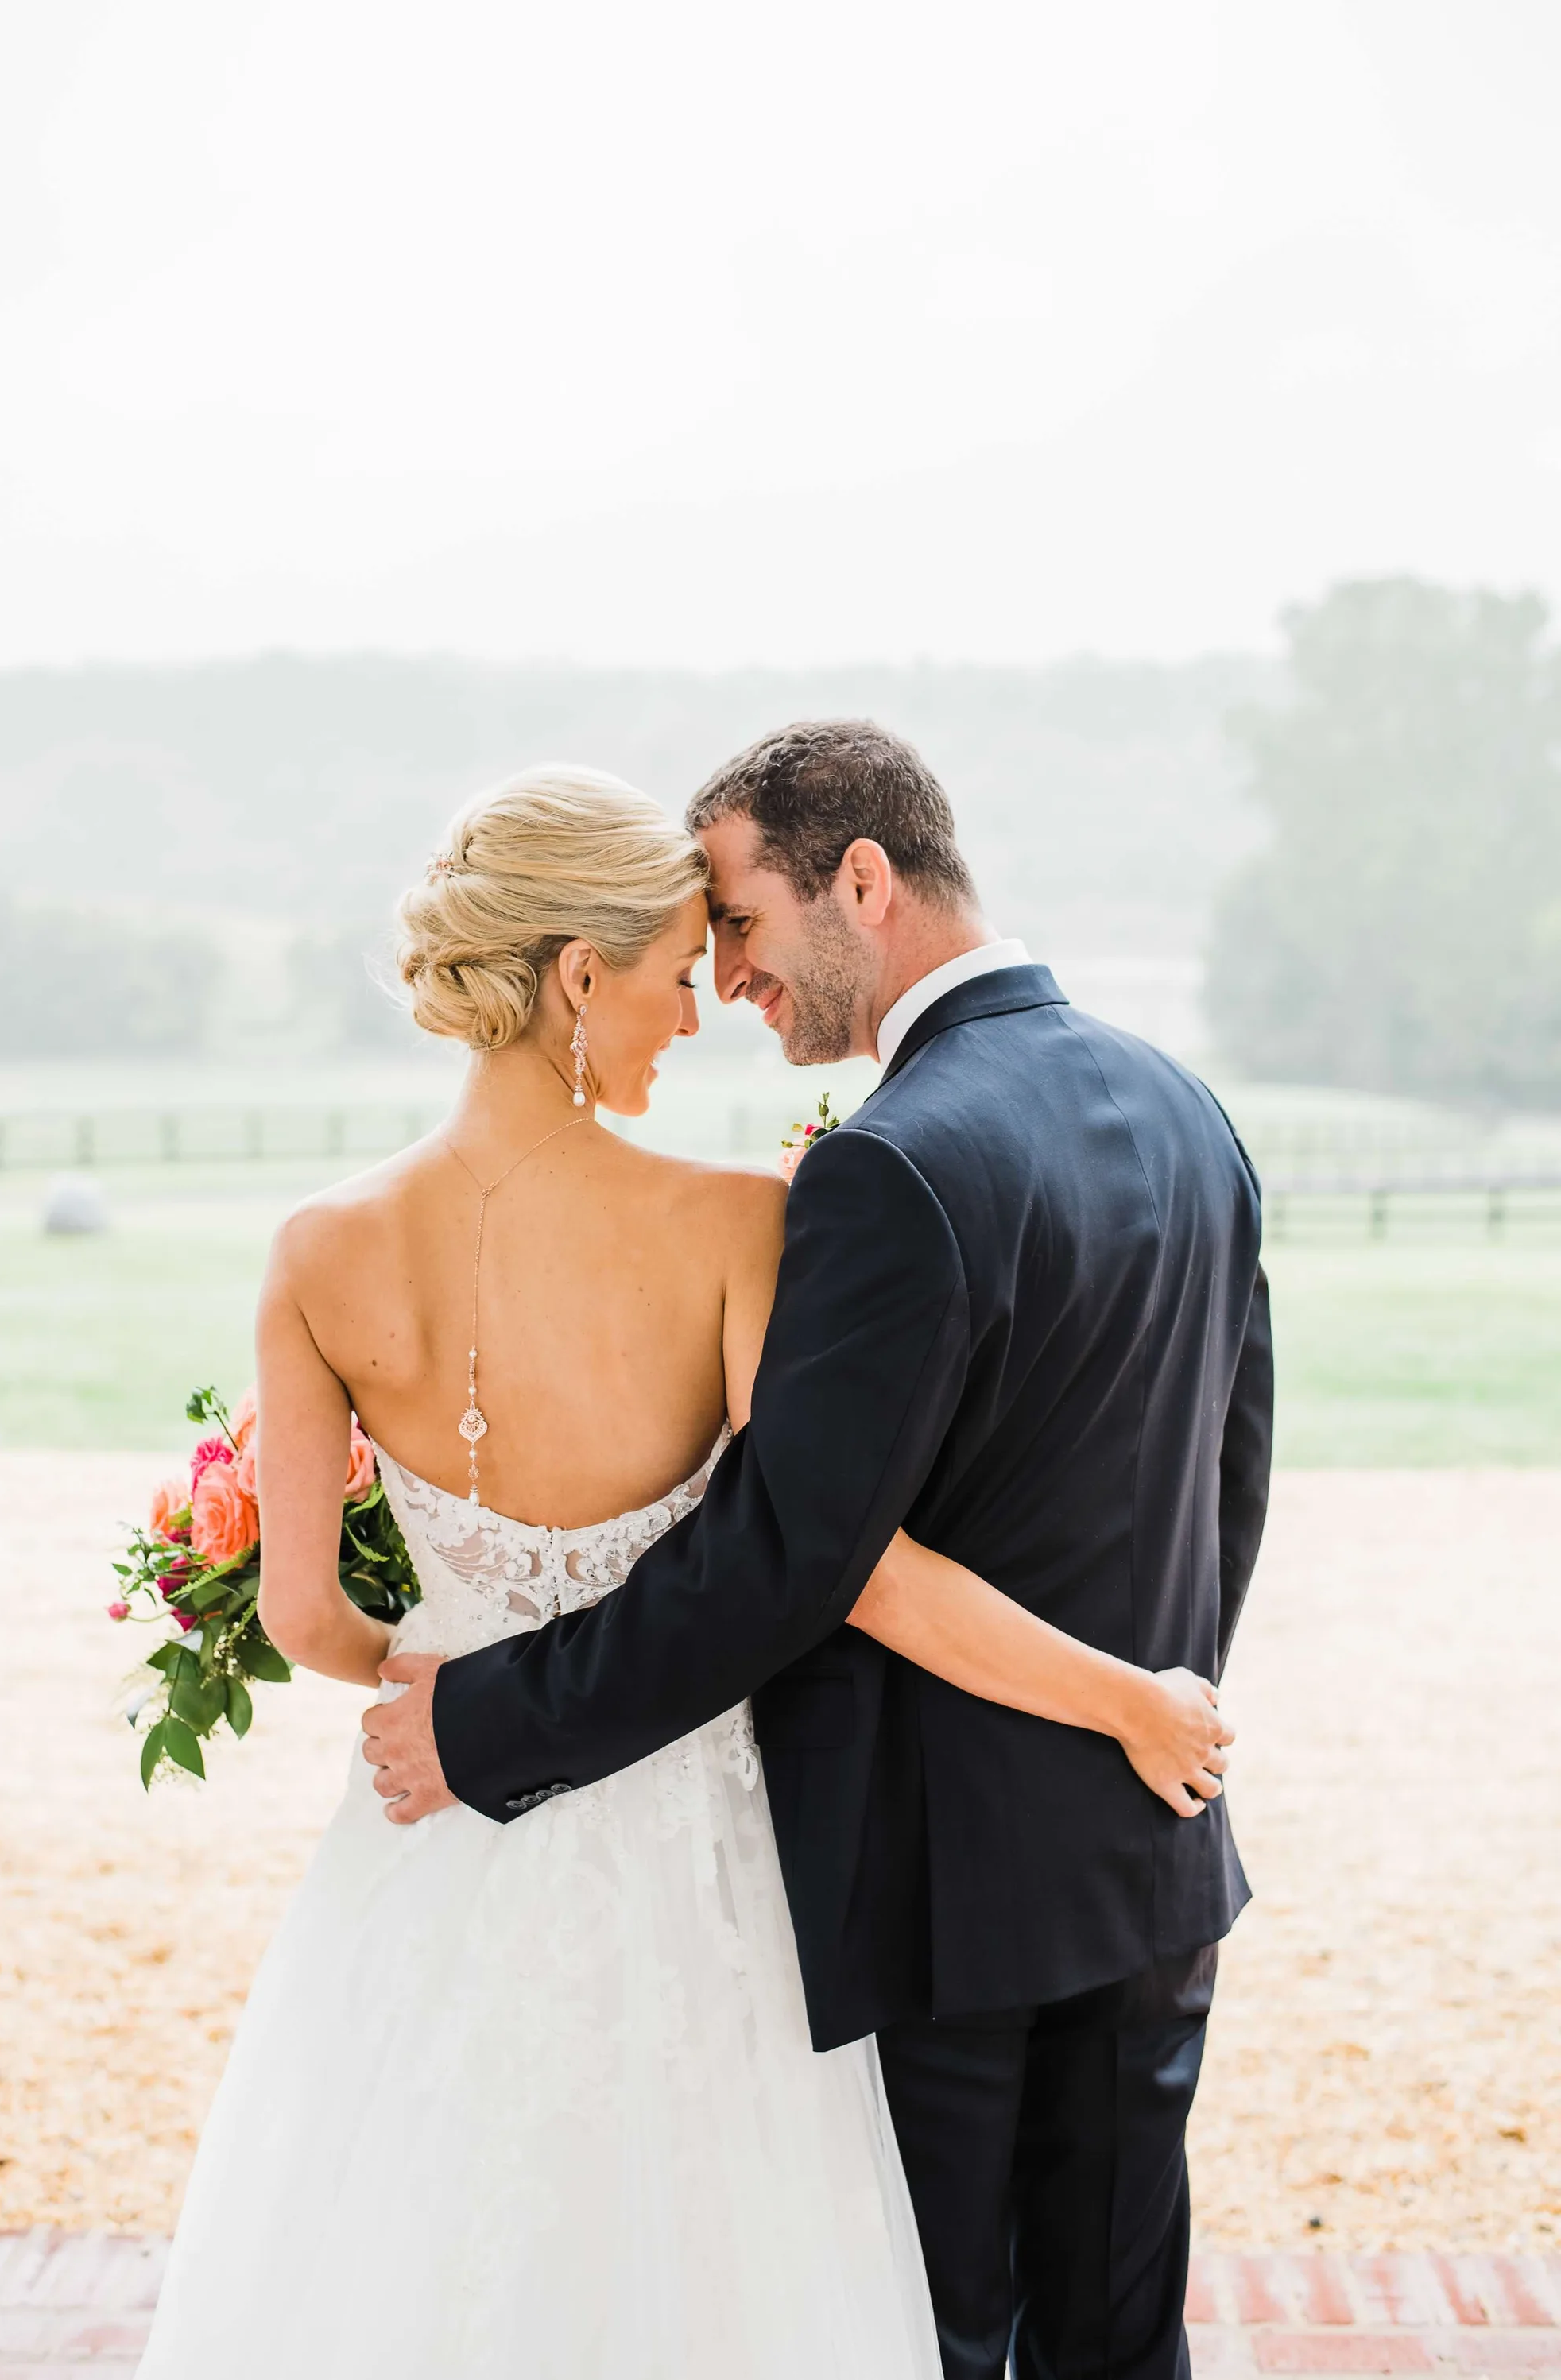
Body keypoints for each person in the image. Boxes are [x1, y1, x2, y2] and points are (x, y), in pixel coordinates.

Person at [137, 763, 1234, 2380]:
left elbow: (304, 1614)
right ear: (578, 976)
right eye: (674, 963)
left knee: (402, 2242)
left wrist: (440, 1666)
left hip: (431, 1836)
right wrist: (1133, 1699)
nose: (703, 1001)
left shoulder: (321, 1248)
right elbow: (834, 1559)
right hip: (705, 1850)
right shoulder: (737, 1224)